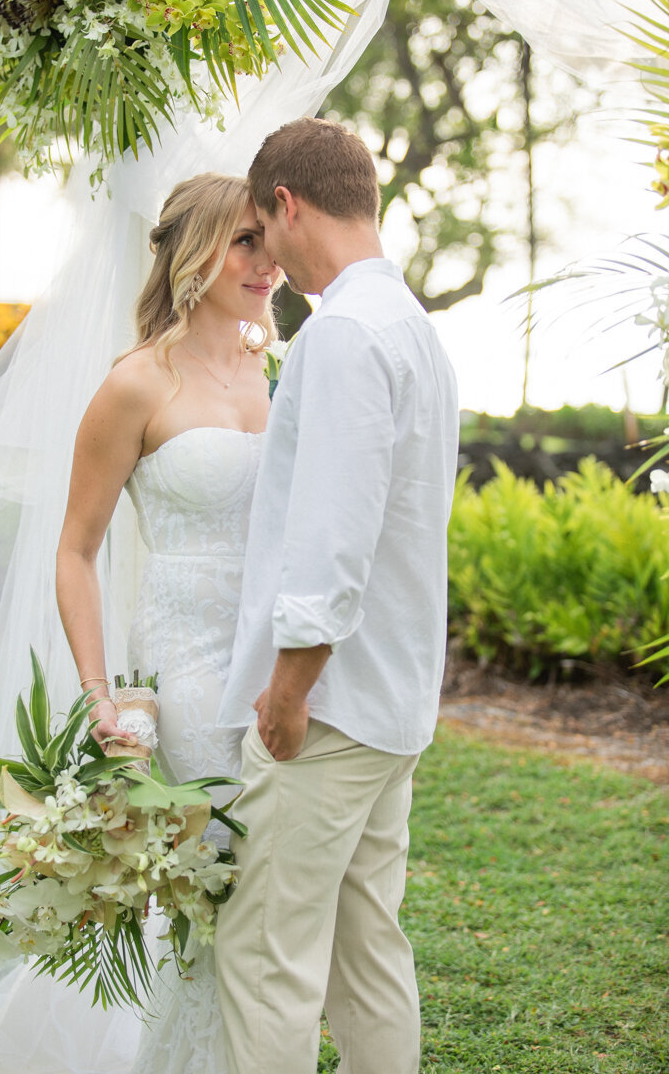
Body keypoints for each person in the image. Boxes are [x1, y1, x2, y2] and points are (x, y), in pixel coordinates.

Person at [0, 170, 279, 1074]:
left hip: (273, 661)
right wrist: (102, 695)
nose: (268, 264)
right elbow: (76, 550)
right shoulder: (134, 385)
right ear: (194, 253)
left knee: (269, 887)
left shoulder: (275, 359)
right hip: (186, 666)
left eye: (270, 240)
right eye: (245, 242)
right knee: (210, 881)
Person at [215, 116, 460, 1074]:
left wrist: (288, 689)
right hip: (393, 700)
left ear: (286, 203)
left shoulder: (347, 336)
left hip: (331, 707)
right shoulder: (414, 331)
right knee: (367, 955)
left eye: (262, 230)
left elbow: (334, 534)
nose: (266, 255)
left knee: (267, 957)